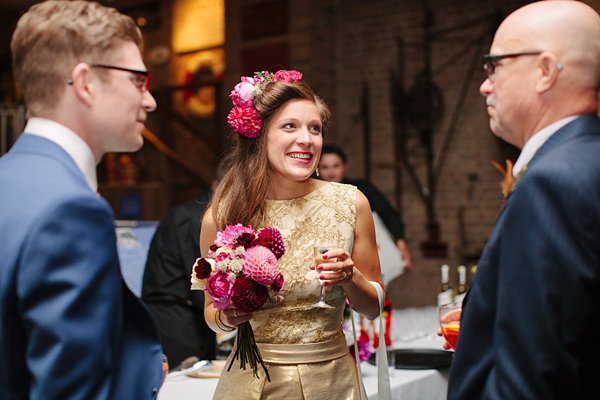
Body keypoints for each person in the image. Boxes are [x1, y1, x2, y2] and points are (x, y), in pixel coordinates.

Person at [0, 1, 164, 399]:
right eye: (138, 81)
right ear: (86, 83)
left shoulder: (9, 178)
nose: (150, 101)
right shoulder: (70, 209)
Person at [446, 1, 600, 399]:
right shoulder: (587, 160)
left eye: (494, 65)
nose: (485, 84)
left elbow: (532, 380)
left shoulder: (552, 183)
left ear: (545, 71)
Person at [200, 70, 385, 399]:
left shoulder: (351, 203)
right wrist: (226, 317)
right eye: (290, 126)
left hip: (332, 382)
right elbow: (211, 314)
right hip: (252, 383)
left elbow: (373, 308)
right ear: (260, 136)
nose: (307, 139)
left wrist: (350, 278)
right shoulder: (223, 214)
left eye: (315, 128)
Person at [142, 161, 228, 368]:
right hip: (174, 317)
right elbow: (201, 280)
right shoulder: (201, 217)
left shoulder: (195, 212)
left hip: (181, 311)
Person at [319, 144, 413, 270]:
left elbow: (388, 214)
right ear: (317, 169)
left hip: (364, 257)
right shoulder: (313, 195)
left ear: (345, 166)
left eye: (336, 166)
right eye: (325, 167)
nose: (331, 172)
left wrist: (401, 243)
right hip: (327, 257)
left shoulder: (361, 190)